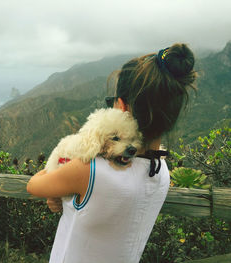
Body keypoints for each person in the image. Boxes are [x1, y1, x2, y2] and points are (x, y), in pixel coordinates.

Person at [27, 43, 197, 263]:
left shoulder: (89, 170)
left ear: (122, 107)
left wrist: (57, 181)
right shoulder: (162, 172)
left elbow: (34, 185)